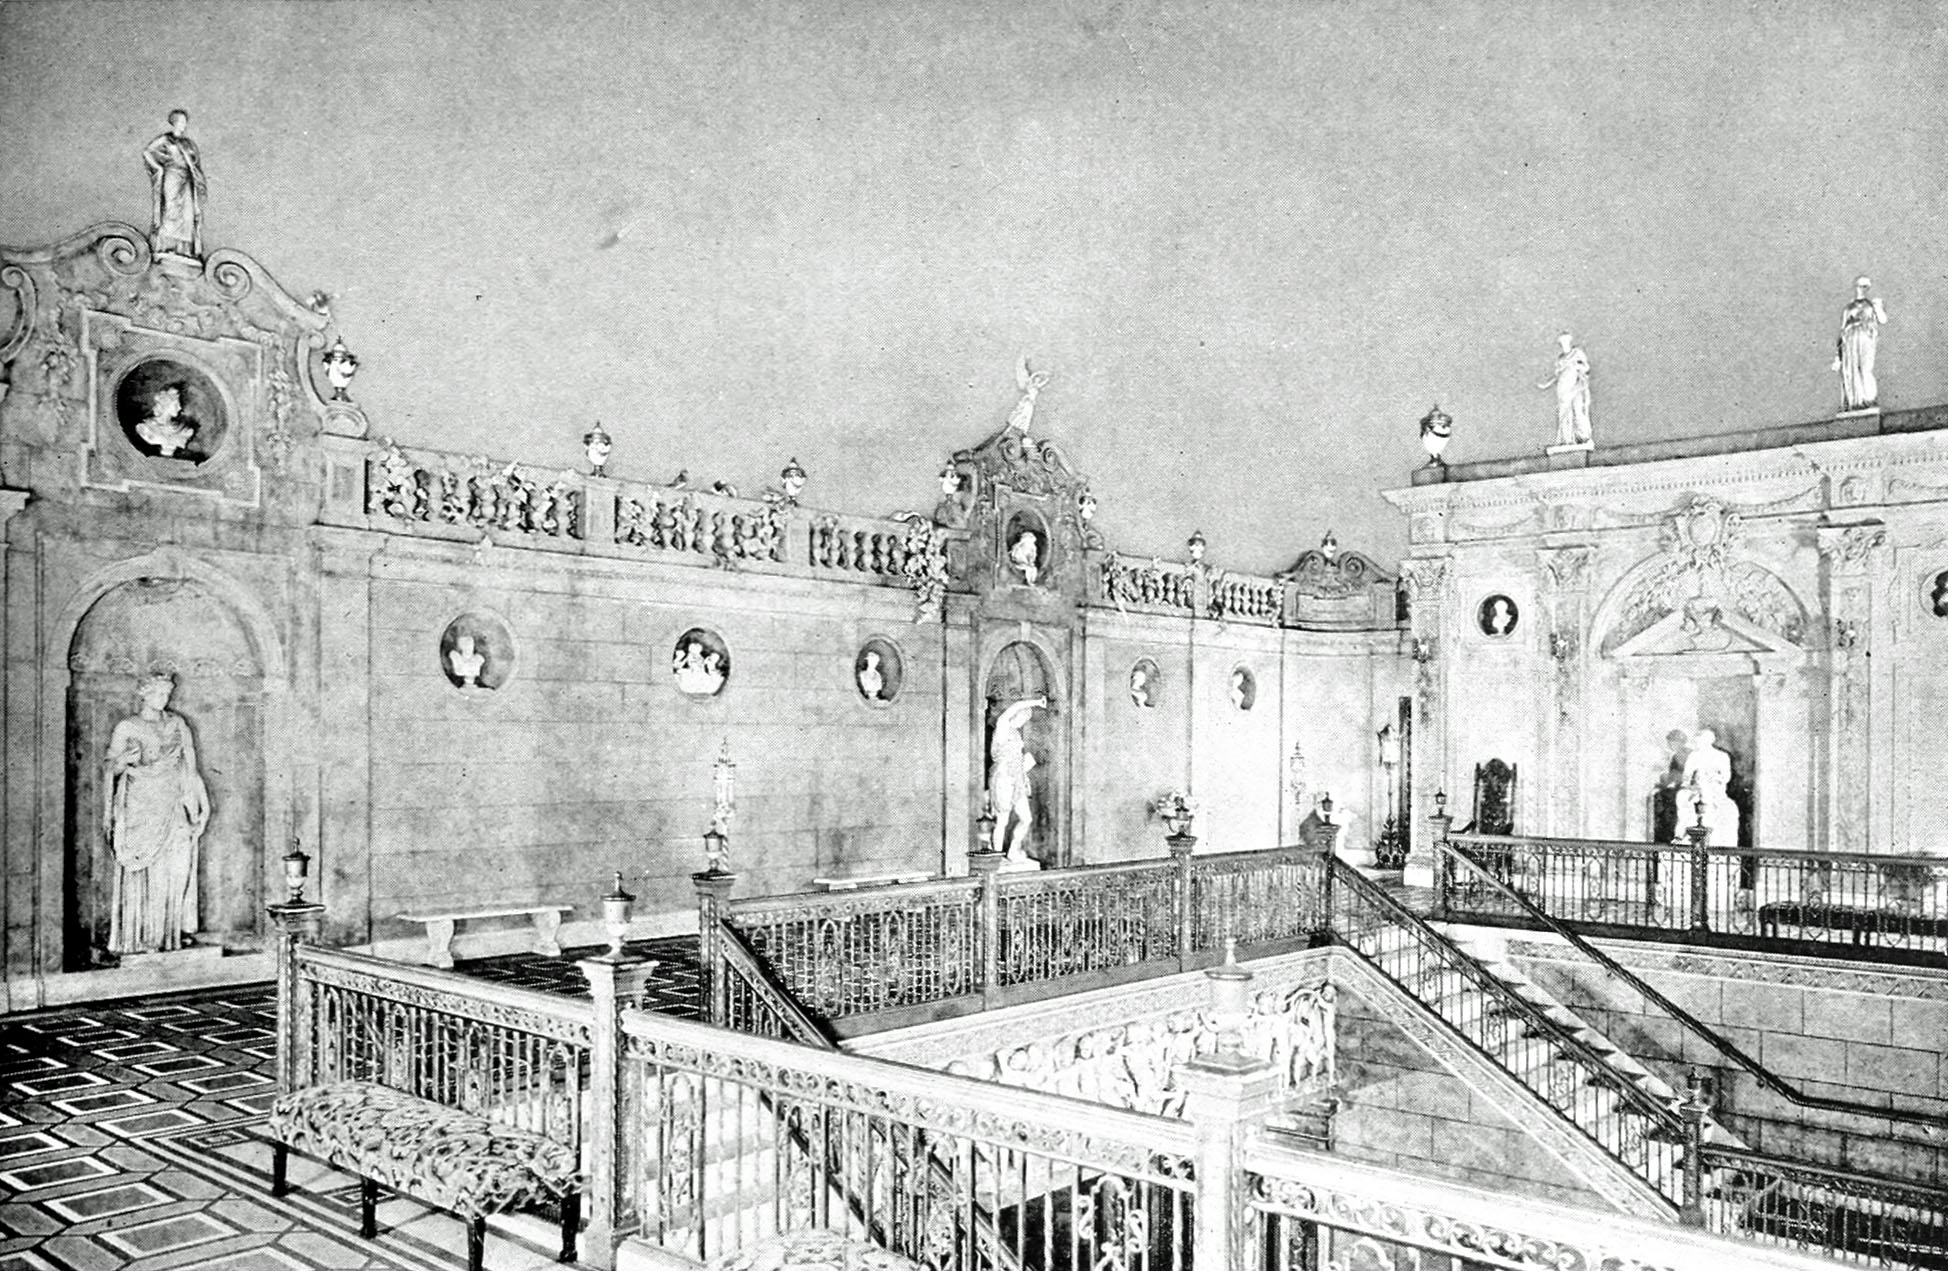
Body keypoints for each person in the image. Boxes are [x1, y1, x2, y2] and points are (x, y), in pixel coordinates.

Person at [102, 674, 210, 955]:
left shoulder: (177, 724)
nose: (164, 699)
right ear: (145, 695)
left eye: (167, 694)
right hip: (141, 809)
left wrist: (202, 806)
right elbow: (110, 769)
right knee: (148, 872)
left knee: (178, 866)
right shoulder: (128, 726)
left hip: (174, 804)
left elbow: (190, 768)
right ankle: (145, 937)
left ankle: (170, 934)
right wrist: (123, 760)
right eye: (159, 693)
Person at [987, 695, 1047, 860]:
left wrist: (1025, 768)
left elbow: (1018, 760)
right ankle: (996, 857)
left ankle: (1013, 850)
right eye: (1022, 717)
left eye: (1025, 719)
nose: (1023, 721)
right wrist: (1036, 702)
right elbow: (1016, 707)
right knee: (1002, 820)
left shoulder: (1016, 734)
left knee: (1026, 819)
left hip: (1017, 779)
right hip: (1004, 778)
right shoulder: (1003, 726)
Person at [142, 109, 207, 257]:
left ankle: (183, 250)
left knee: (187, 215)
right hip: (172, 176)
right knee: (170, 209)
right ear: (174, 123)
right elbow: (147, 152)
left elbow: (195, 163)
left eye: (185, 122)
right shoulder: (166, 139)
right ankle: (165, 247)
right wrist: (158, 168)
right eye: (181, 122)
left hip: (187, 179)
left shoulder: (188, 144)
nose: (183, 125)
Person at [1834, 277, 1889, 411]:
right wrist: (1837, 357)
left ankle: (1868, 399)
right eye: (1860, 286)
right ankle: (1855, 403)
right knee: (1851, 371)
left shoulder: (1871, 305)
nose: (1862, 289)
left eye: (1865, 286)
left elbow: (1883, 320)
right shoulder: (1849, 307)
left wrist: (1878, 307)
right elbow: (1842, 331)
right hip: (1850, 340)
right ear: (1856, 287)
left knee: (1865, 368)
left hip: (1865, 337)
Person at [1680, 728, 1740, 848]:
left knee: (1726, 810)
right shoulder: (1693, 756)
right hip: (1697, 791)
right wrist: (1693, 784)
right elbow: (1686, 778)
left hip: (1716, 791)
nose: (1698, 742)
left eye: (1702, 739)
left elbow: (1726, 777)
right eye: (1698, 740)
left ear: (1710, 740)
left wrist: (1713, 777)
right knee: (1683, 799)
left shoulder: (1722, 756)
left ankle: (1718, 846)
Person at [1538, 332, 1592, 446]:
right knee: (1564, 411)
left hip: (1575, 385)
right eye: (1562, 341)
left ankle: (1583, 437)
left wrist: (1576, 366)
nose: (1564, 343)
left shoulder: (1577, 352)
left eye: (1566, 340)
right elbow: (1557, 376)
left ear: (1569, 341)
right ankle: (1567, 439)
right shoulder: (1560, 359)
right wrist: (1546, 384)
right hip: (1563, 387)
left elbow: (1586, 367)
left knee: (1578, 409)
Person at [133, 383, 197, 458]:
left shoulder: (185, 431)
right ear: (166, 405)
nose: (179, 408)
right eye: (176, 404)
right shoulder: (145, 428)